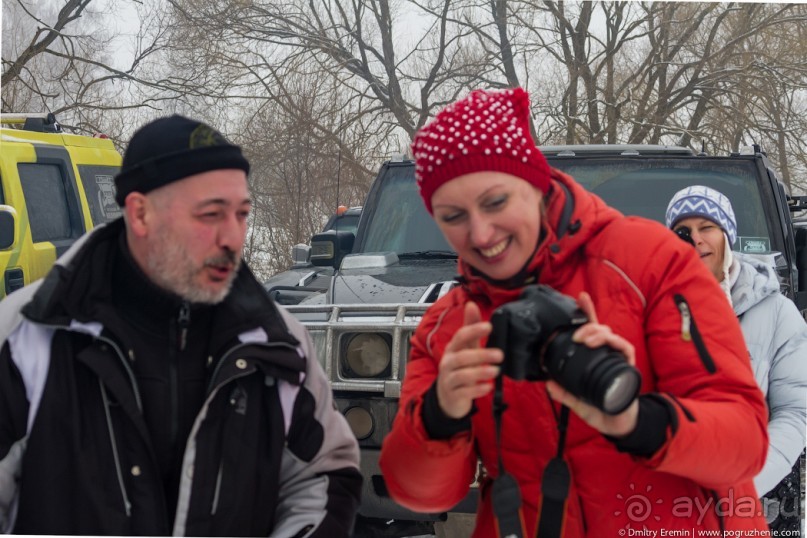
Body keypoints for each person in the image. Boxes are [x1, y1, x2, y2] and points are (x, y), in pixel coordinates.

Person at [379, 88, 769, 536]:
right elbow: (419, 493)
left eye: (495, 202)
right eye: (452, 215)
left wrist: (636, 419)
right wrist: (439, 414)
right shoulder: (450, 327)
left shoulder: (649, 262)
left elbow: (744, 443)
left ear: (537, 183)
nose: (481, 234)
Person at [0, 115, 361, 536]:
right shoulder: (28, 335)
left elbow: (324, 477)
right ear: (140, 213)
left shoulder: (277, 344)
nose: (233, 237)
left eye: (242, 214)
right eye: (210, 215)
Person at [667, 185, 807, 525]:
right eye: (683, 231)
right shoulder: (653, 307)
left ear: (727, 234)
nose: (696, 239)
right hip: (667, 495)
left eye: (707, 228)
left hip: (755, 493)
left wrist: (742, 484)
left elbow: (795, 411)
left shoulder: (776, 313)